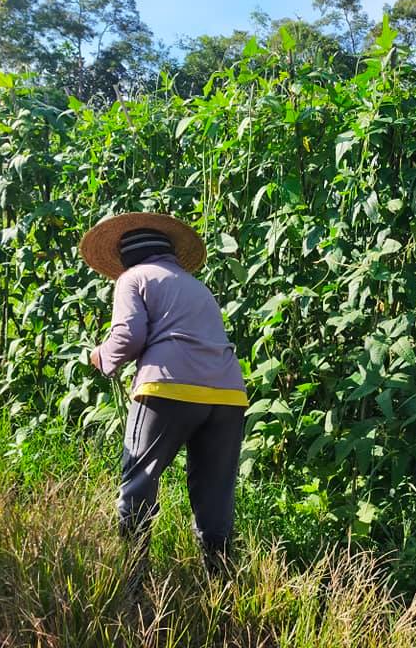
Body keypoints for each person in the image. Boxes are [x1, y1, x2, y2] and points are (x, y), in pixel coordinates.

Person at [79, 212, 248, 578]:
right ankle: (220, 584)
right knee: (215, 491)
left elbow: (129, 336)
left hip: (168, 386)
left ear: (126, 258)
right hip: (228, 394)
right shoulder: (197, 287)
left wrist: (101, 357)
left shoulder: (132, 278)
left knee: (139, 479)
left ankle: (133, 580)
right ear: (170, 254)